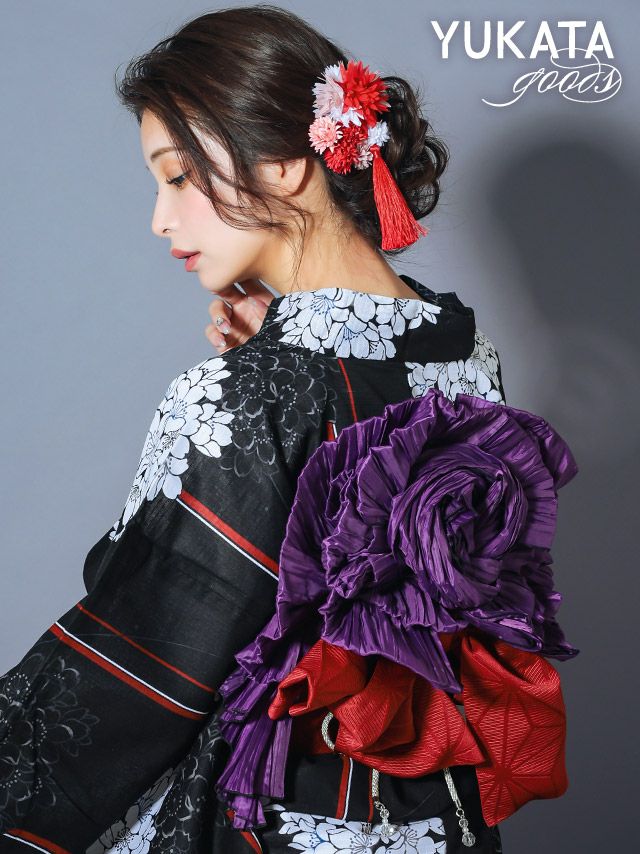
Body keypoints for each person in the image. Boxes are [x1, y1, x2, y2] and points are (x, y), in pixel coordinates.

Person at [0, 5, 580, 853]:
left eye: (176, 177)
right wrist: (276, 356)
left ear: (283, 162)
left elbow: (144, 653)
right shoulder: (468, 354)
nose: (160, 219)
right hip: (440, 814)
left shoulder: (238, 396)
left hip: (277, 818)